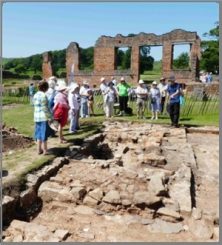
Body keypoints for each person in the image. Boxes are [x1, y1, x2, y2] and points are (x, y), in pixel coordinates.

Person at [33, 80, 52, 155]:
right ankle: (45, 150)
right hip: (43, 117)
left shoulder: (35, 95)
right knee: (44, 134)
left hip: (37, 117)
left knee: (38, 134)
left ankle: (38, 150)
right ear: (45, 88)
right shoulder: (44, 96)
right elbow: (45, 108)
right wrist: (50, 117)